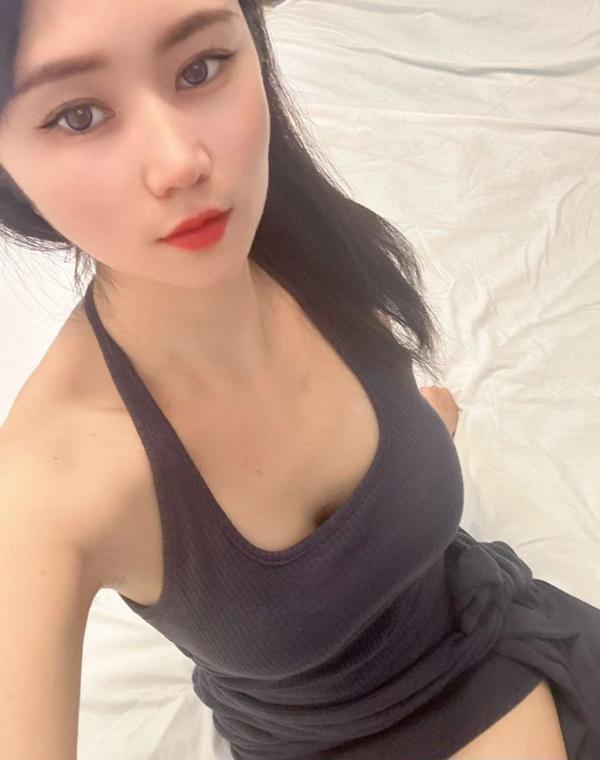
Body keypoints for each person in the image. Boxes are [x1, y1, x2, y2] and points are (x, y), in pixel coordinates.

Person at [0, 2, 598, 760]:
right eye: (79, 115)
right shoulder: (48, 490)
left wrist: (418, 439)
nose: (181, 162)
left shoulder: (311, 251)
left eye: (200, 68)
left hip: (503, 636)